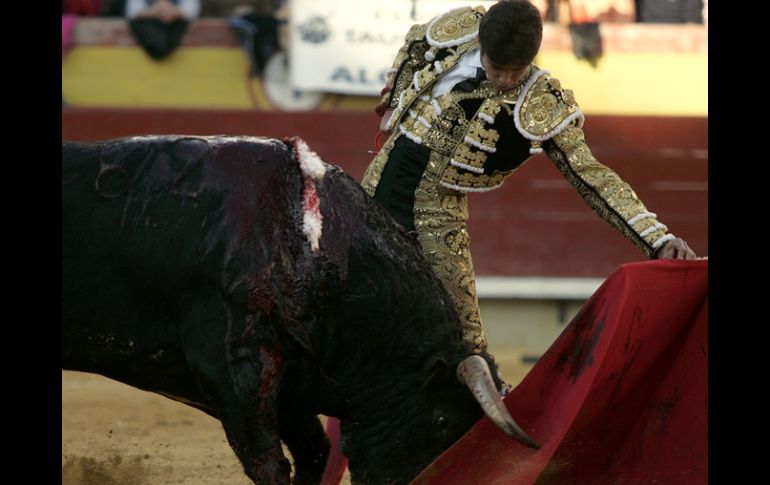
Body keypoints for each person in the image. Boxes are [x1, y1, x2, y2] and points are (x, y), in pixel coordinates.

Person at [362, 0, 697, 361]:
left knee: (462, 339)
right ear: (481, 45)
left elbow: (591, 175)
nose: (506, 80)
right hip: (378, 181)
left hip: (437, 213)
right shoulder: (460, 29)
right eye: (497, 68)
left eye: (516, 71)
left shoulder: (541, 99)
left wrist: (657, 239)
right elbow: (416, 44)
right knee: (356, 296)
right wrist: (393, 100)